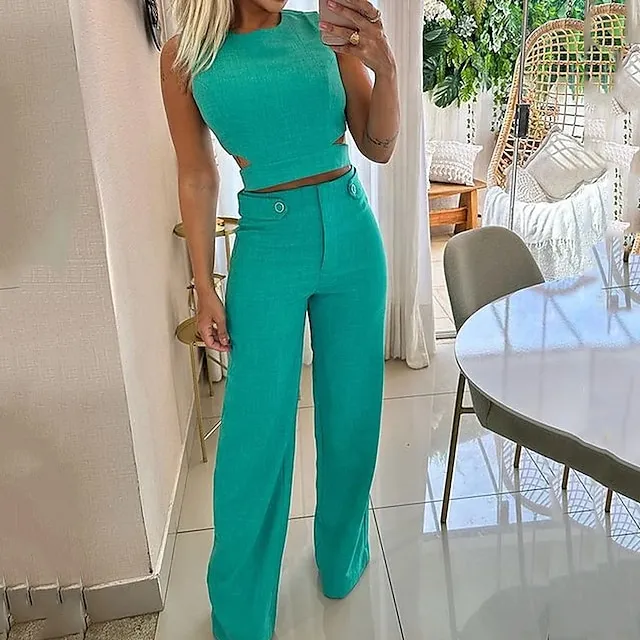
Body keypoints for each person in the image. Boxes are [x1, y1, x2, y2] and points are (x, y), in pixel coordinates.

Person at [160, 1, 399, 638]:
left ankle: (342, 557)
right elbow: (196, 175)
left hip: (352, 233)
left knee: (352, 413)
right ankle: (241, 612)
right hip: (267, 246)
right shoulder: (185, 58)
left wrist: (386, 70)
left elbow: (378, 146)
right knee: (254, 434)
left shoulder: (322, 33)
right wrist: (204, 285)